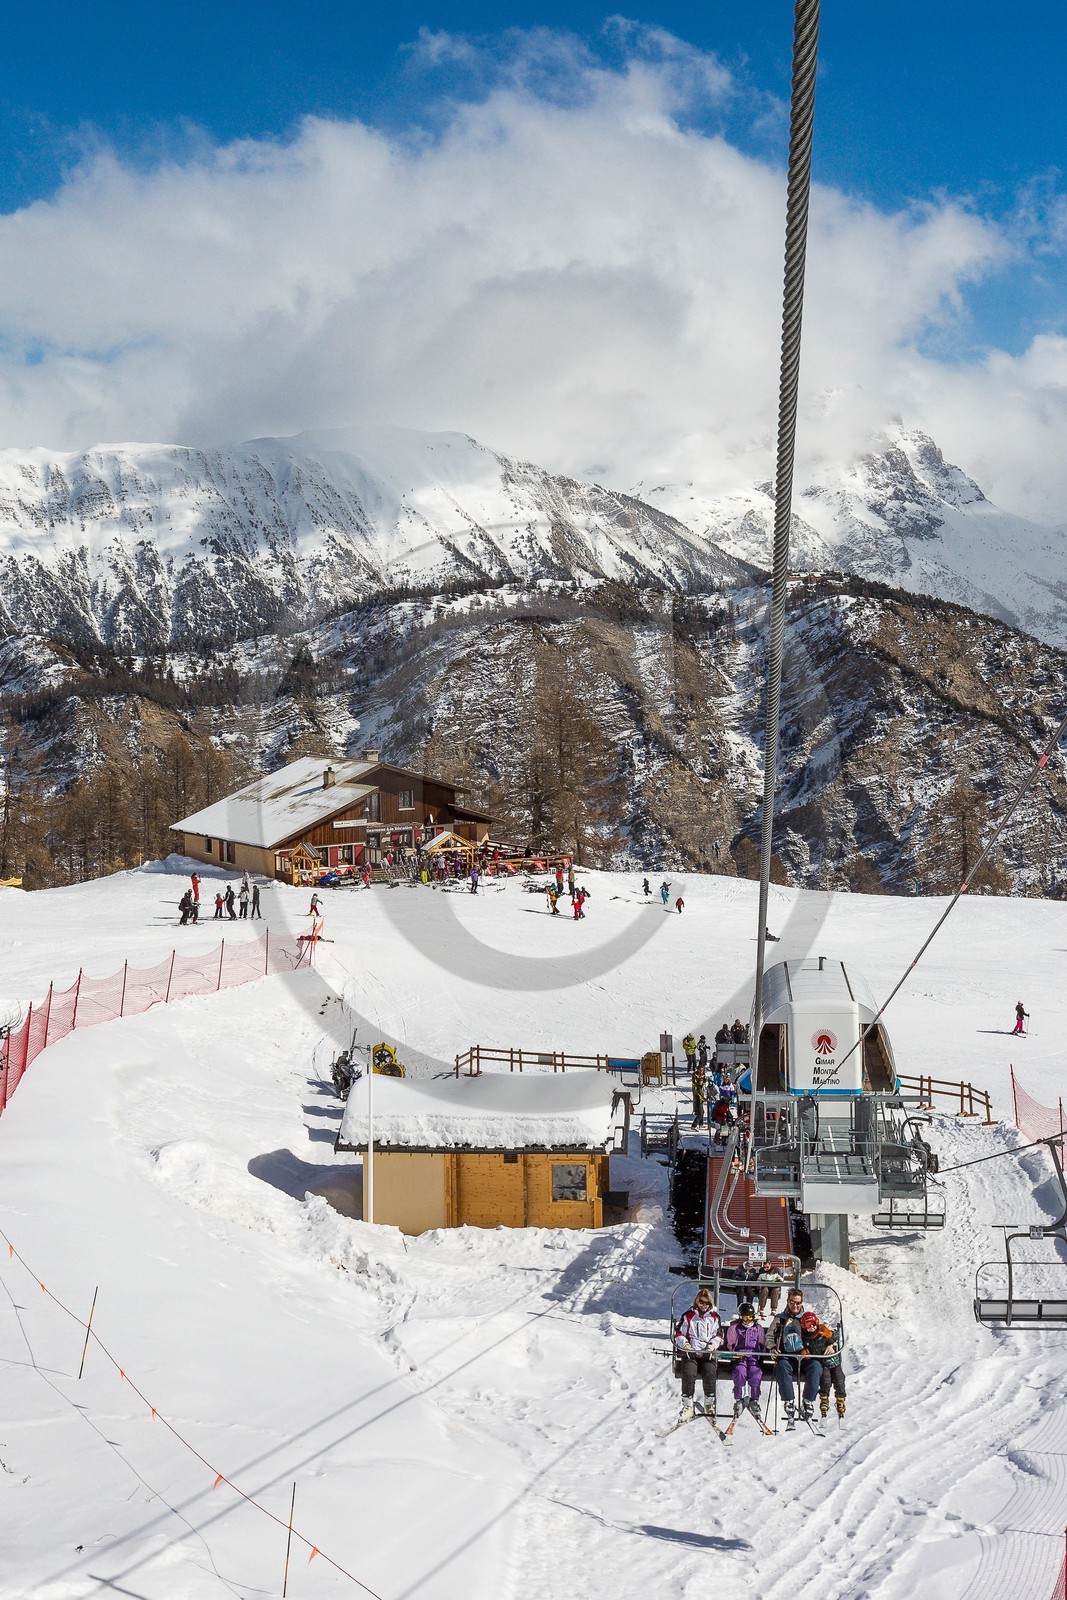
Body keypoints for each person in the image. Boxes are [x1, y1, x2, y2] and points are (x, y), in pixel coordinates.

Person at [770, 1291, 822, 1420]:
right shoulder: (780, 1318)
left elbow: (824, 1331)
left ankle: (808, 1400)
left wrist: (830, 1344)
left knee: (816, 1366)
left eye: (798, 1303)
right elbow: (769, 1336)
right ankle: (789, 1401)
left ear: (801, 1303)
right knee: (782, 1367)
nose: (795, 1306)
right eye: (792, 1302)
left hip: (805, 1355)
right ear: (787, 1302)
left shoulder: (807, 1317)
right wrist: (772, 1347)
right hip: (787, 1355)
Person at [673, 1288, 722, 1422]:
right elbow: (678, 1333)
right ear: (697, 1301)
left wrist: (712, 1345)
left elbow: (718, 1335)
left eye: (706, 1303)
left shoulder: (714, 1317)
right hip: (691, 1353)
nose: (704, 1305)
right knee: (689, 1373)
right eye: (701, 1302)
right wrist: (686, 1345)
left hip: (707, 1353)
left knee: (710, 1372)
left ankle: (709, 1403)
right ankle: (688, 1406)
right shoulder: (688, 1316)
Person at [725, 1302, 767, 1420]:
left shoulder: (757, 1328)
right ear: (740, 1317)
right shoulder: (735, 1328)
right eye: (745, 1317)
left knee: (755, 1373)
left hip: (754, 1356)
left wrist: (761, 1354)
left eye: (750, 1317)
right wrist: (734, 1353)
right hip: (740, 1356)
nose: (747, 1320)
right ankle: (739, 1399)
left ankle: (754, 1400)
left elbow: (762, 1342)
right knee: (740, 1372)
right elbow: (731, 1343)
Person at [804, 1316, 846, 1419]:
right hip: (823, 1363)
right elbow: (805, 1348)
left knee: (839, 1379)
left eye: (813, 1324)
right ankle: (824, 1401)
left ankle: (840, 1400)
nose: (811, 1327)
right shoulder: (807, 1338)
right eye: (808, 1325)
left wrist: (831, 1341)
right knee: (825, 1381)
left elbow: (834, 1335)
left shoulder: (823, 1332)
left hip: (834, 1361)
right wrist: (805, 1353)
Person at [691, 1060, 707, 1128]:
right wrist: (703, 1097)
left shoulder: (703, 1076)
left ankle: (701, 1124)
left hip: (702, 1094)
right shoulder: (695, 1075)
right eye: (700, 1070)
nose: (701, 1071)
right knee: (700, 1113)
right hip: (697, 1095)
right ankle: (694, 1125)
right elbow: (697, 1086)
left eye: (702, 1070)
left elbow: (704, 1083)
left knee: (702, 1112)